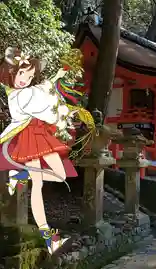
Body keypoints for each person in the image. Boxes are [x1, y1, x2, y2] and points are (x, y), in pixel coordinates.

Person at [0, 47, 78, 255]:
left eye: (30, 75)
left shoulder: (29, 92)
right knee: (38, 185)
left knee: (60, 175)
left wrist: (59, 76)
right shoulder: (15, 95)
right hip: (28, 136)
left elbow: (45, 89)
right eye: (21, 73)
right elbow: (38, 100)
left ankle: (21, 173)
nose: (24, 79)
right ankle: (50, 241)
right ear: (12, 71)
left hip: (41, 135)